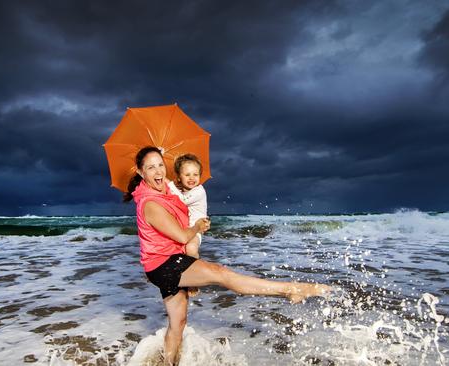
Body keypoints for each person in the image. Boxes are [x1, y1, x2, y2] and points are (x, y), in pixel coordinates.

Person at [124, 146, 330, 366]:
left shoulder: (162, 191)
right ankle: (291, 289)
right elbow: (183, 236)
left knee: (178, 323)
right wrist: (197, 227)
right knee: (220, 273)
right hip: (166, 264)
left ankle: (169, 363)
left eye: (160, 165)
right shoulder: (152, 203)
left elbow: (154, 232)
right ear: (139, 172)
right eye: (150, 167)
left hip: (160, 265)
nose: (158, 171)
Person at [167, 153, 207, 259]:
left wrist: (169, 184)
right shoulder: (180, 191)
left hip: (196, 229)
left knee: (191, 248)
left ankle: (197, 267)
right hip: (183, 230)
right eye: (187, 174)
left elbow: (181, 201)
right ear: (179, 177)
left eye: (195, 174)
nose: (191, 178)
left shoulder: (199, 191)